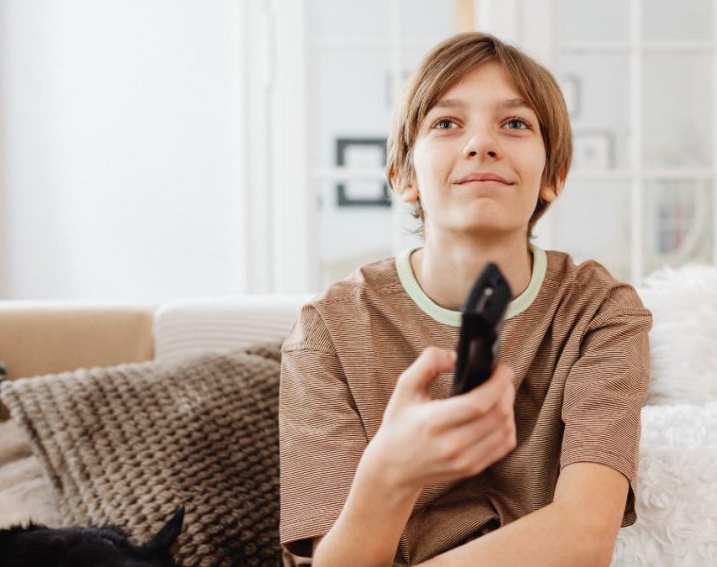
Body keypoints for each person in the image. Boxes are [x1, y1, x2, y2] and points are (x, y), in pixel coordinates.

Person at [279, 31, 652, 567]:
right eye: (446, 124)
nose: (482, 143)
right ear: (403, 176)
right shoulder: (327, 331)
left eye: (515, 123)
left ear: (554, 176)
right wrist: (391, 472)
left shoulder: (600, 311)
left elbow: (585, 535)